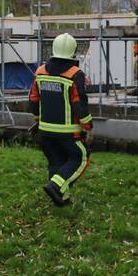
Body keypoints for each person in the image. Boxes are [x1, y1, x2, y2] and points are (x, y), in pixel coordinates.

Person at [28, 33, 94, 207]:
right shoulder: (75, 74)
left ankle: (61, 200)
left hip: (45, 131)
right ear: (73, 52)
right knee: (81, 158)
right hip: (68, 133)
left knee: (56, 162)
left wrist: (37, 119)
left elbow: (33, 99)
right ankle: (56, 186)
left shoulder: (40, 71)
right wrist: (88, 126)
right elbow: (80, 104)